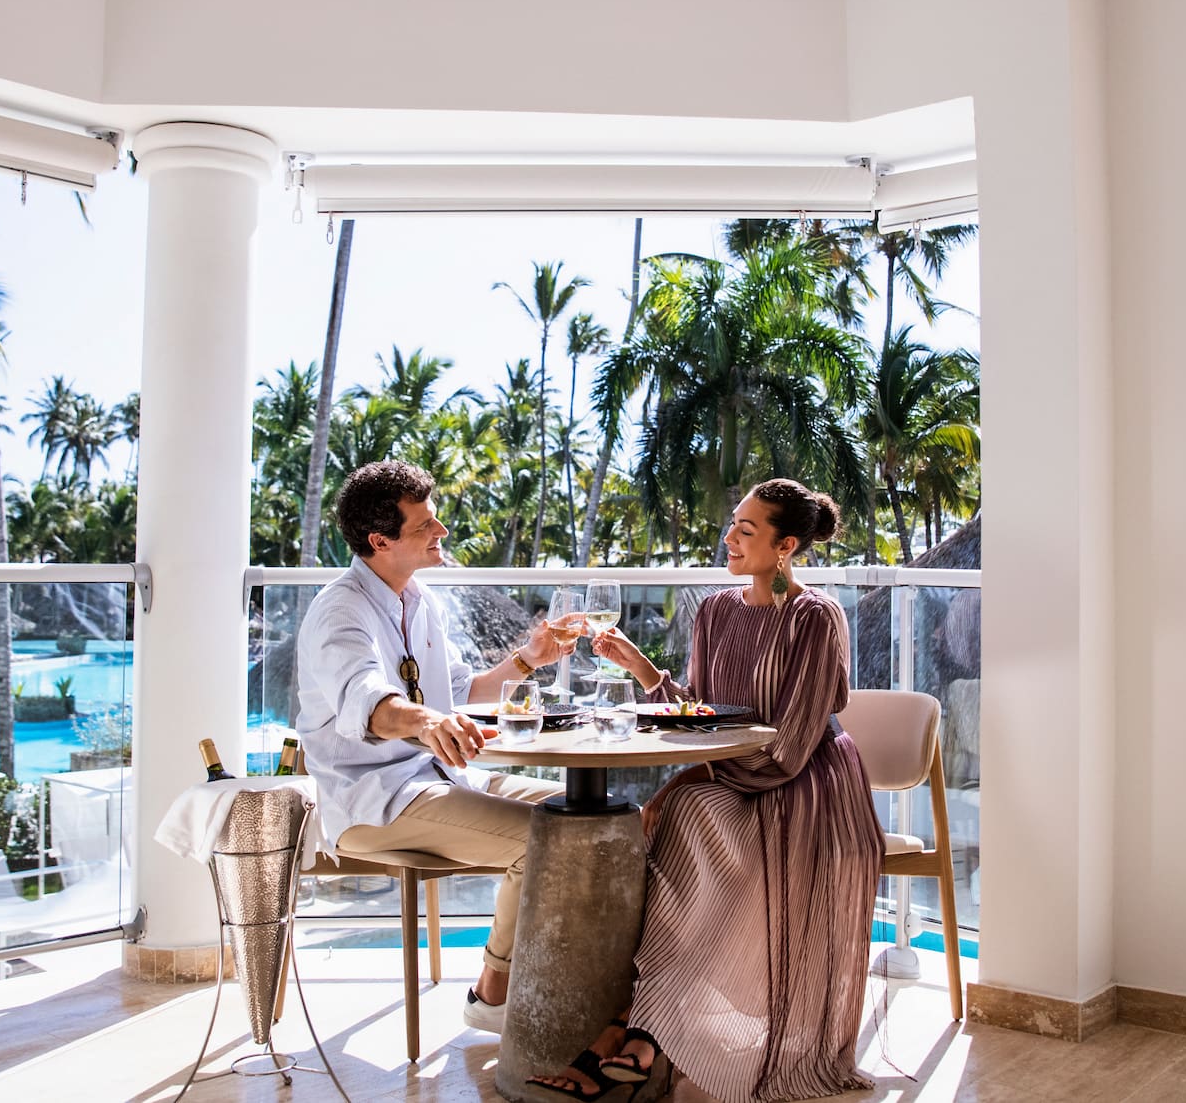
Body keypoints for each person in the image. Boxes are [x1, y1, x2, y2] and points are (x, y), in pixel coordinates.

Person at [529, 478, 883, 1103]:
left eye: (747, 531)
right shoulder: (716, 610)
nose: (730, 538)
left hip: (806, 784)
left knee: (686, 808)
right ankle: (646, 1030)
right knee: (685, 813)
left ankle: (632, 1029)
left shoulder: (815, 617)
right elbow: (700, 714)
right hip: (730, 777)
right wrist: (640, 668)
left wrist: (693, 775)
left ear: (786, 546)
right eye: (732, 525)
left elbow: (792, 744)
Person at [295, 460, 570, 1034]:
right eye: (425, 525)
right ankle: (495, 992)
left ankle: (583, 987)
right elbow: (372, 703)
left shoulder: (421, 600)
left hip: (445, 777)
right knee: (543, 840)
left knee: (594, 817)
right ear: (380, 541)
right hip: (376, 801)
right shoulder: (340, 612)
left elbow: (459, 692)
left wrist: (528, 660)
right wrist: (425, 725)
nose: (441, 530)